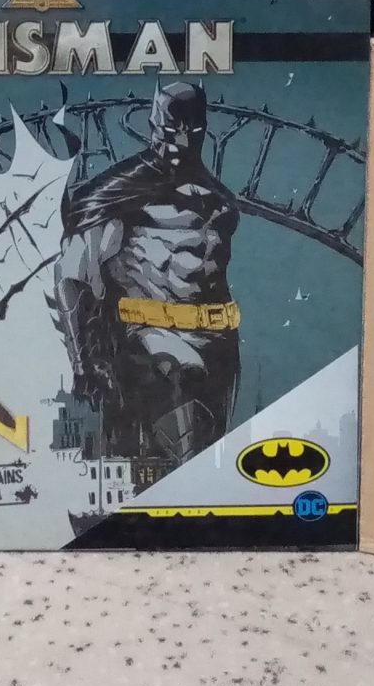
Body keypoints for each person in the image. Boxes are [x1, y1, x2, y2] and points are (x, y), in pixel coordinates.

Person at [53, 82, 242, 478]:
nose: (179, 139)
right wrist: (85, 362)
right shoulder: (119, 194)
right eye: (170, 128)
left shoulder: (219, 198)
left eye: (189, 129)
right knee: (185, 466)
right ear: (154, 125)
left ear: (202, 128)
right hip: (155, 345)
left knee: (209, 465)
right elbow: (73, 273)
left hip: (220, 347)